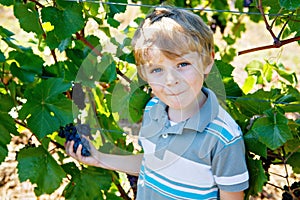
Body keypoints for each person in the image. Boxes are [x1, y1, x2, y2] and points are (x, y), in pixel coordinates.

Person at [65, 6, 249, 200]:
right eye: (157, 70)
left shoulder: (223, 137)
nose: (171, 80)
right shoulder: (154, 110)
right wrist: (100, 159)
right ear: (144, 74)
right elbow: (152, 164)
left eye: (182, 65)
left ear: (207, 62)